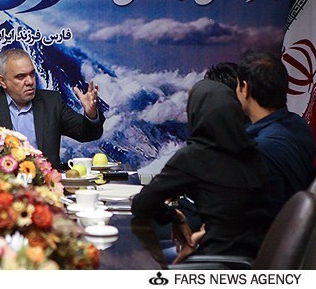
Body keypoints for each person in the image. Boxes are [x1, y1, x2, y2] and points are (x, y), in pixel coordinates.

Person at [131, 79, 272, 264]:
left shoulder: (194, 156)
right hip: (256, 262)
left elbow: (141, 205)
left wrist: (174, 216)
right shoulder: (255, 154)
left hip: (216, 263)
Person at [0, 48, 104, 168]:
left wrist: (91, 114)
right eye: (21, 77)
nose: (30, 81)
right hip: (2, 185)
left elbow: (87, 134)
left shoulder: (52, 102)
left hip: (47, 184)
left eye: (32, 74)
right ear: (3, 81)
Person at [236, 50, 316, 215]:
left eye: (237, 85)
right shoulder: (299, 124)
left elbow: (267, 215)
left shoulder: (260, 148)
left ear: (245, 89)